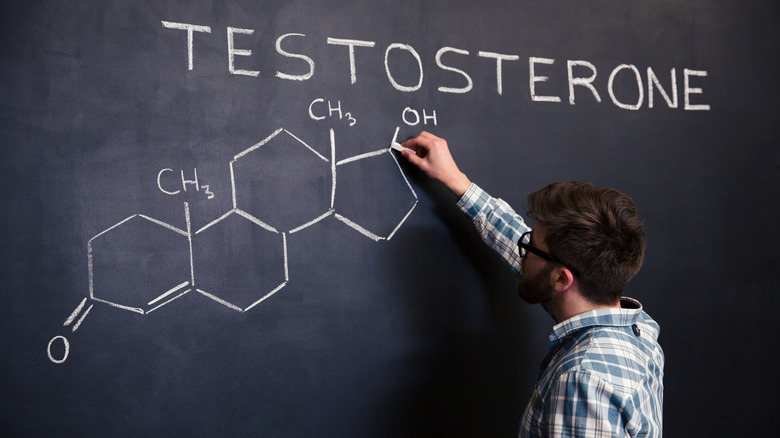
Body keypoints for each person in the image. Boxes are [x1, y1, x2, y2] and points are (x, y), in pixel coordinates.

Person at [398, 131, 664, 438]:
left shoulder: (583, 378)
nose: (522, 250)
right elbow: (522, 248)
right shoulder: (634, 332)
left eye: (531, 246)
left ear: (561, 279)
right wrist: (458, 181)